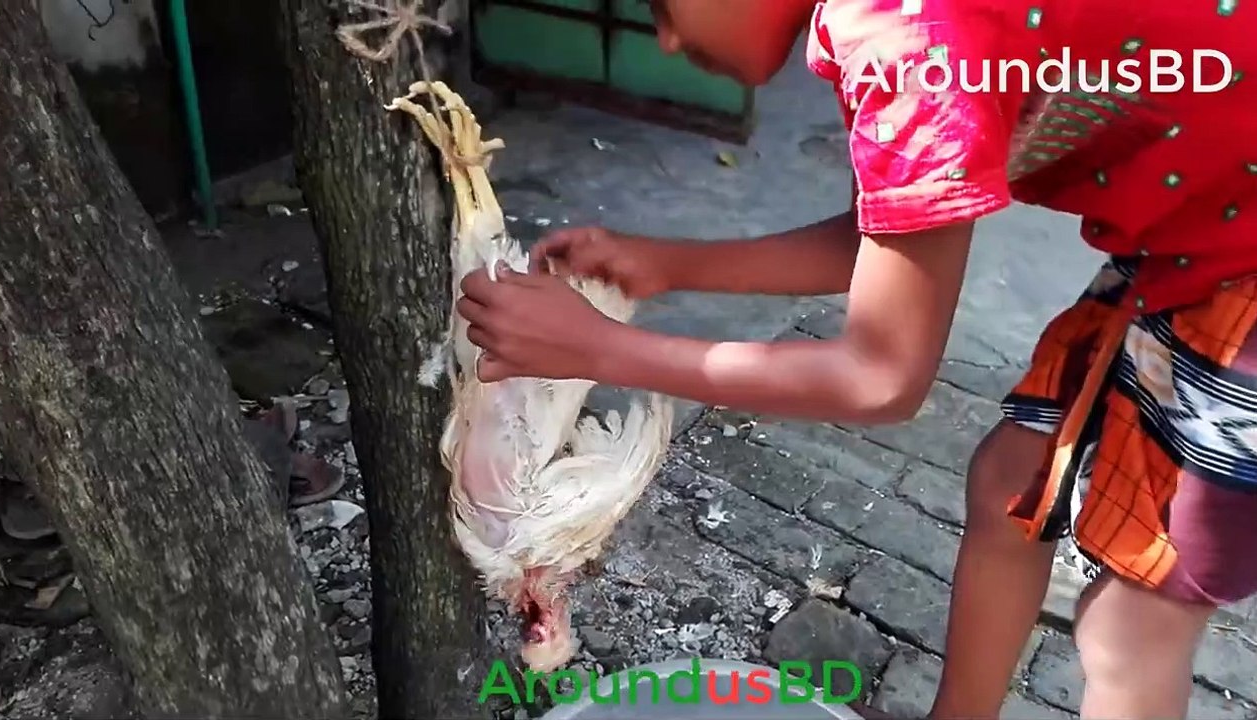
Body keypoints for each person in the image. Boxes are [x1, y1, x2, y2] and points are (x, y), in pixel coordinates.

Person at [455, 1, 1257, 718]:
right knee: (1012, 483)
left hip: (1237, 264)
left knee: (1132, 628)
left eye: (664, 3)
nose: (664, 38)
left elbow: (881, 377)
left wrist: (603, 349)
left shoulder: (905, 37)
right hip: (1198, 233)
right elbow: (881, 242)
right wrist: (667, 263)